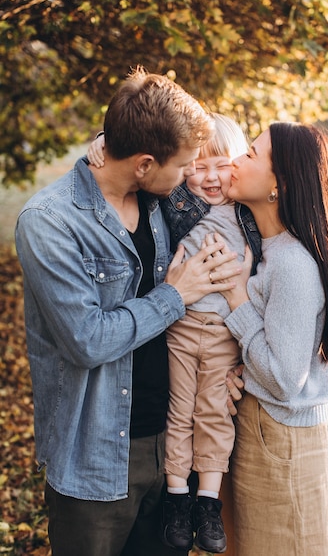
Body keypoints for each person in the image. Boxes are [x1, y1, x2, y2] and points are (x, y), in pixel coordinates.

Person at [15, 67, 242, 556]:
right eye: (182, 167)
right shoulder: (48, 222)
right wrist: (173, 295)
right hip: (95, 454)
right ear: (143, 164)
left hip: (171, 444)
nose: (189, 177)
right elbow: (88, 340)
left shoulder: (160, 202)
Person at [88, 114, 259, 555]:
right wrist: (104, 140)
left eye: (221, 164)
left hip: (225, 336)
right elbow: (142, 160)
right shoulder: (179, 202)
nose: (209, 176)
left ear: (239, 163)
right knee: (181, 413)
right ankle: (179, 500)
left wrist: (247, 350)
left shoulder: (252, 212)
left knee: (213, 414)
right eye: (197, 166)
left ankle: (206, 502)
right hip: (179, 332)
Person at [211, 122, 328, 556]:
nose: (236, 162)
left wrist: (238, 301)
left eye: (251, 156)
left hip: (283, 441)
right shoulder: (272, 248)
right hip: (270, 432)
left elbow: (281, 378)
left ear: (280, 184)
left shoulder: (293, 263)